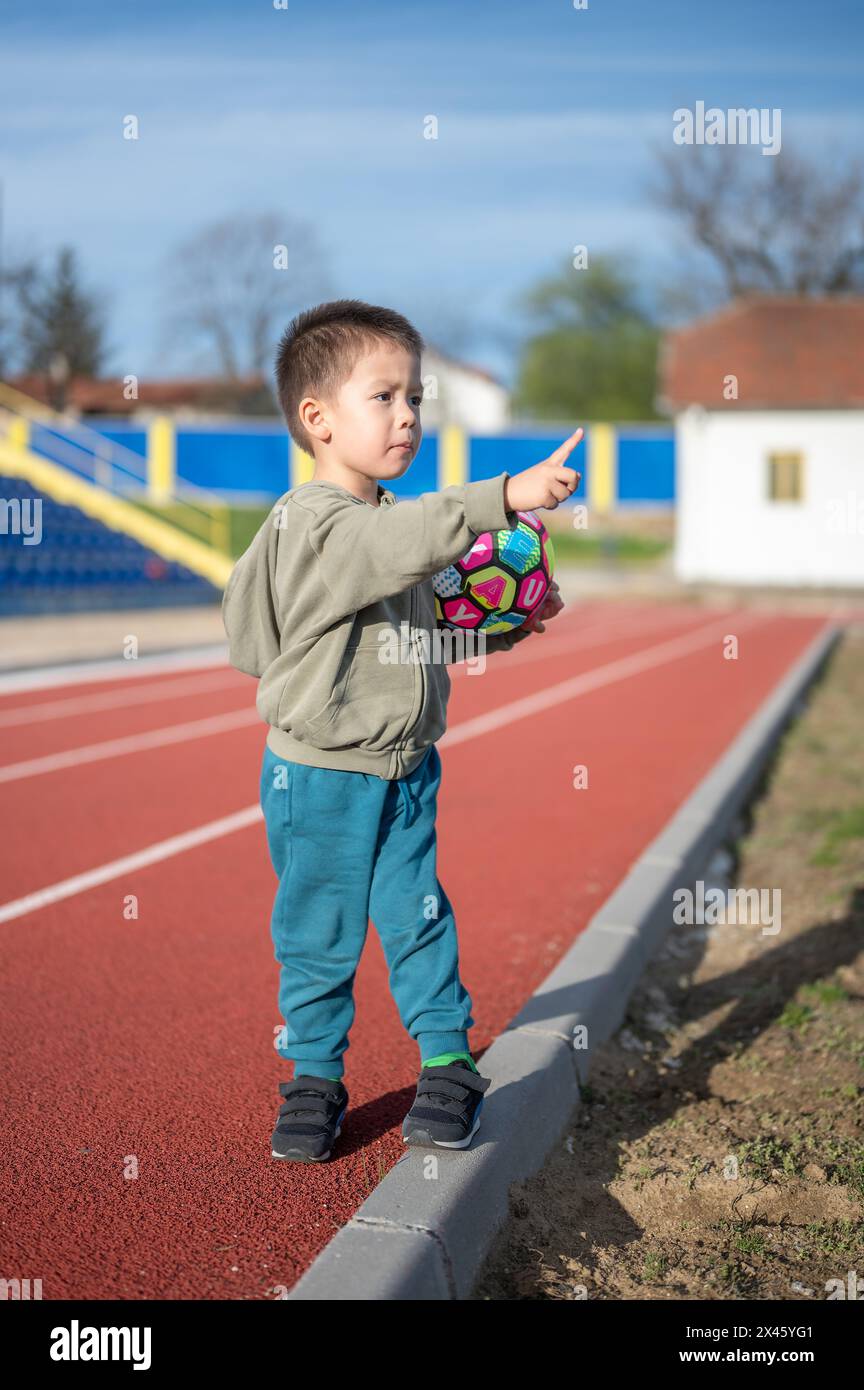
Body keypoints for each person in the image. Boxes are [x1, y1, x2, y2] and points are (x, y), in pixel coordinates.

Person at [221, 298, 583, 1162]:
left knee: (419, 917)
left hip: (405, 767)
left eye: (415, 397)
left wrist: (501, 630)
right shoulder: (311, 523)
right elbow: (394, 547)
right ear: (317, 419)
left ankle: (450, 1063)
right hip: (320, 777)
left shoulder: (385, 522)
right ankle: (313, 1076)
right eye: (384, 397)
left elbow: (407, 642)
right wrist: (504, 496)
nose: (409, 415)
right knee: (318, 933)